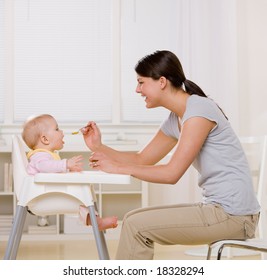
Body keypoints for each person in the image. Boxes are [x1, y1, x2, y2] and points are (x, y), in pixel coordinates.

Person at [81, 50, 260, 259]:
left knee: (136, 225)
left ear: (162, 81)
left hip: (234, 216)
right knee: (132, 220)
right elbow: (142, 159)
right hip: (220, 210)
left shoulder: (199, 110)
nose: (137, 90)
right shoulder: (177, 118)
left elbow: (171, 174)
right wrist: (99, 147)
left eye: (141, 82)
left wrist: (117, 168)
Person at [22, 114, 118, 231]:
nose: (62, 132)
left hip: (47, 195)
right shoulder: (39, 155)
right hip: (40, 198)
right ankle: (96, 222)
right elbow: (44, 167)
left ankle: (96, 221)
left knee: (82, 198)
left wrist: (67, 170)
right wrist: (65, 164)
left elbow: (51, 172)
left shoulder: (47, 155)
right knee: (81, 199)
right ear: (45, 139)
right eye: (57, 129)